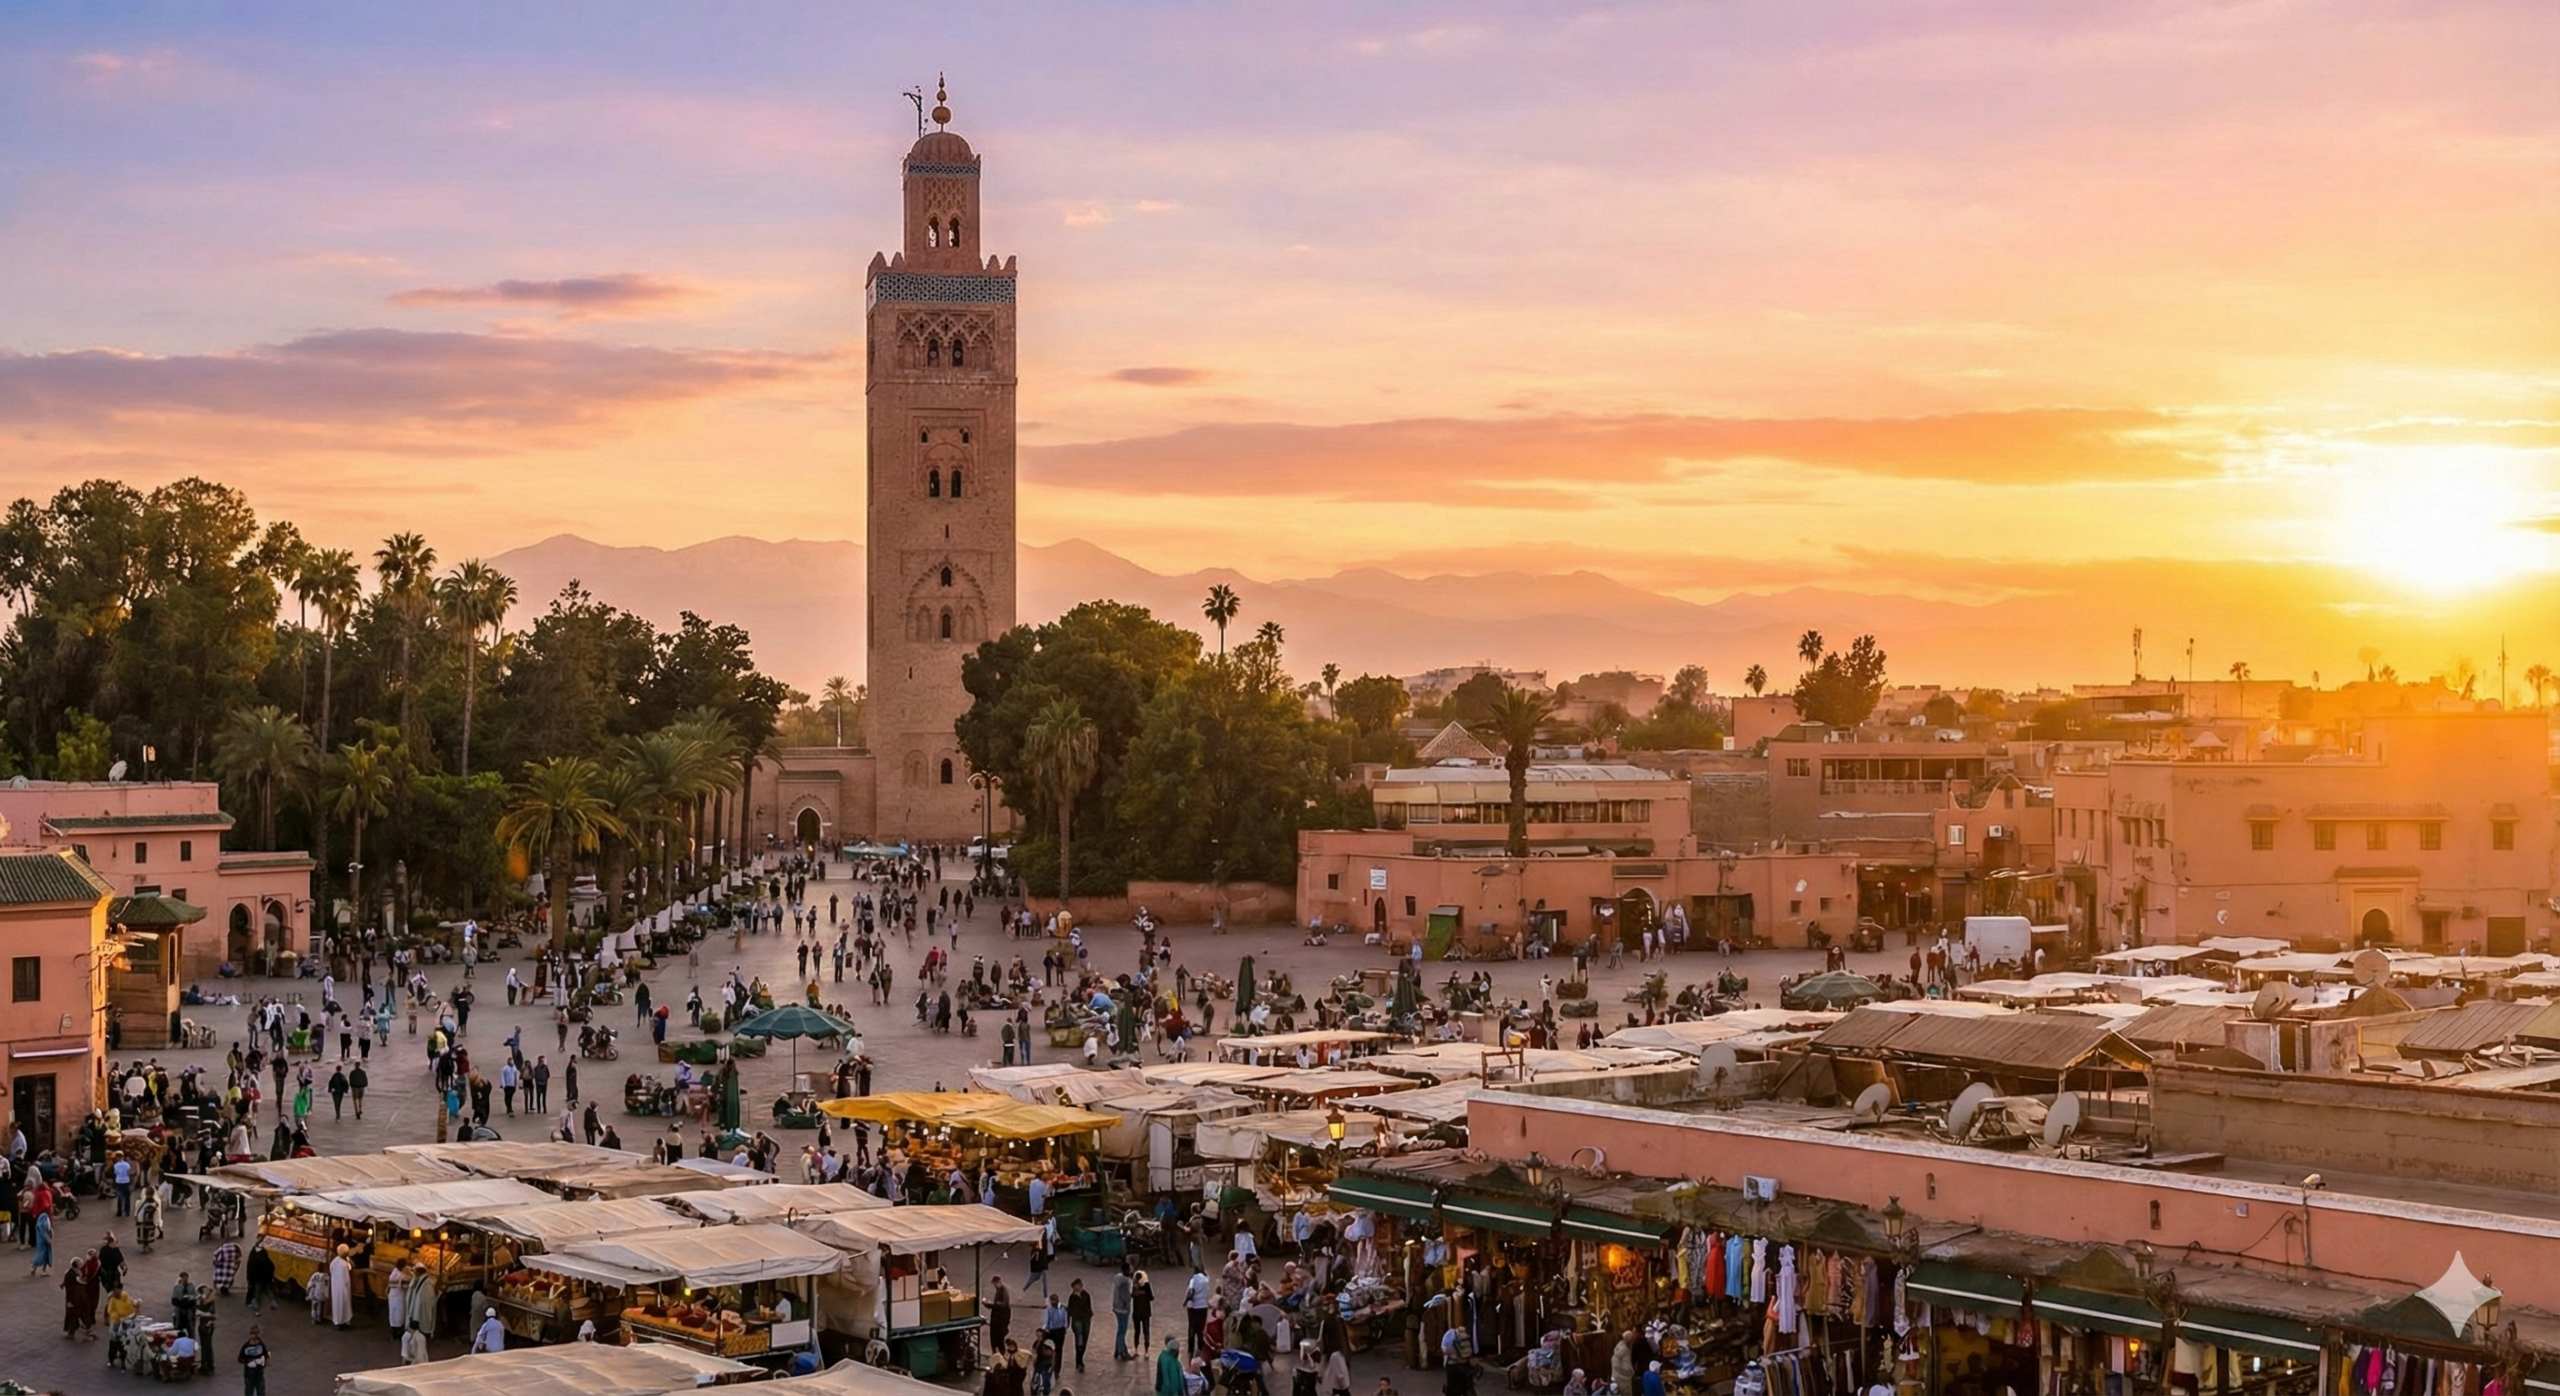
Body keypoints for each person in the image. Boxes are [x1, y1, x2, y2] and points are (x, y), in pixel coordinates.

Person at [1066, 1277, 1094, 1370]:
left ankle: (1080, 1359)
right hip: (1077, 1320)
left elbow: (1089, 1306)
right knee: (1079, 1340)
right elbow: (1070, 1310)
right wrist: (1068, 1323)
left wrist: (1089, 1315)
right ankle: (1079, 1361)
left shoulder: (1086, 1295)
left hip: (1086, 1320)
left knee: (1084, 1340)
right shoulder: (1072, 1297)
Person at [1184, 1265, 1211, 1355]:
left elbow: (1190, 1290)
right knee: (1201, 1328)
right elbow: (1208, 1278)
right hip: (1203, 1305)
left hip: (1192, 1307)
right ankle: (1201, 1347)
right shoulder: (1206, 1279)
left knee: (1191, 1327)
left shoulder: (1193, 1279)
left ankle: (1190, 1349)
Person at [1111, 1262, 1134, 1361]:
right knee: (1122, 1331)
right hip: (1123, 1308)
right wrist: (1128, 1306)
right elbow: (1126, 1296)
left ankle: (1118, 1350)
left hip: (1116, 1306)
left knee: (1120, 1329)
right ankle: (1122, 1351)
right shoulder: (1125, 1282)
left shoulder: (1118, 1278)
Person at [239, 1326, 269, 1396]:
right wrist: (247, 1363)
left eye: (254, 1334)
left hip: (259, 1372)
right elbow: (240, 1358)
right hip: (249, 1373)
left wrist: (263, 1362)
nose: (253, 1336)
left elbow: (265, 1355)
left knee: (261, 1391)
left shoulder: (261, 1345)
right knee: (249, 1391)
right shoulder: (246, 1346)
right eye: (251, 1334)